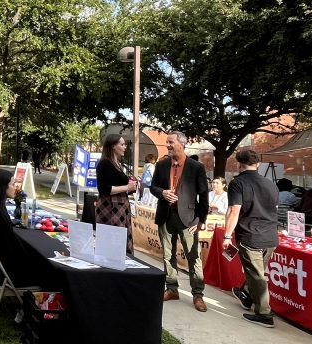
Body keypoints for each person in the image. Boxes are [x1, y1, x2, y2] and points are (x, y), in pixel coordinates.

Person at [149, 131, 210, 312]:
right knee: (168, 255)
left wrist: (201, 219)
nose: (167, 145)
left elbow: (204, 195)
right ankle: (172, 289)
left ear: (181, 144)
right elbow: (153, 187)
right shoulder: (161, 165)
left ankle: (198, 295)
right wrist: (162, 193)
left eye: (170, 142)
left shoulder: (196, 167)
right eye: (167, 142)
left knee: (193, 257)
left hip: (189, 220)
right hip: (165, 216)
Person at [223, 147, 280, 328]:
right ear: (259, 164)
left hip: (250, 235)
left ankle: (264, 314)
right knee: (256, 272)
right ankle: (246, 296)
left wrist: (226, 236)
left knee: (256, 275)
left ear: (238, 164)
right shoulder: (271, 184)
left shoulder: (237, 183)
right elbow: (275, 209)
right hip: (270, 235)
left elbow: (234, 210)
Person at [0, 168, 55, 288]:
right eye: (12, 184)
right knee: (51, 271)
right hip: (5, 275)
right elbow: (12, 253)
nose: (15, 187)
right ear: (2, 187)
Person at [95, 134, 138, 250]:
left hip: (120, 206)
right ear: (114, 146)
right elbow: (104, 189)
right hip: (110, 207)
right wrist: (128, 187)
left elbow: (118, 185)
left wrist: (130, 187)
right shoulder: (105, 163)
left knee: (120, 241)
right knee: (112, 243)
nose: (125, 147)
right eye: (122, 144)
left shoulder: (117, 163)